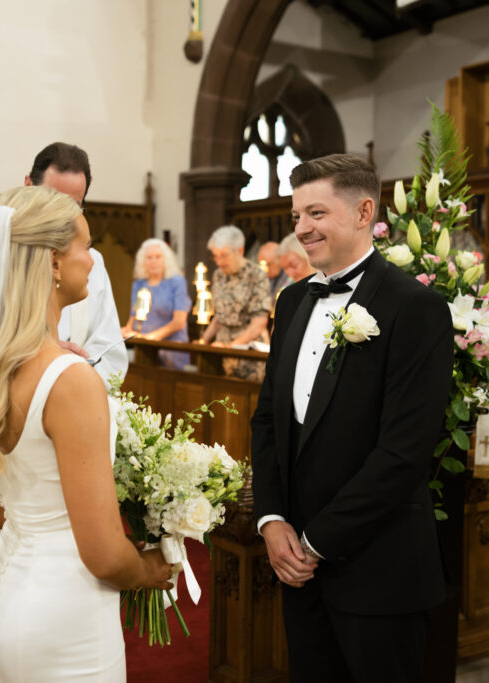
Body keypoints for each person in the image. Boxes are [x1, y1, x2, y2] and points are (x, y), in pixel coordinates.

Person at [0, 186, 172, 682]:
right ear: (55, 264)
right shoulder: (70, 379)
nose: (93, 259)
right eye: (85, 246)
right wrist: (152, 569)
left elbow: (1, 501)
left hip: (6, 590)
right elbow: (105, 555)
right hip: (66, 613)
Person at [250, 154, 453, 682]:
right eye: (296, 216)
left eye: (315, 213)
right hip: (296, 570)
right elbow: (268, 421)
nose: (301, 229)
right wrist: (272, 523)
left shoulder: (416, 308)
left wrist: (316, 543)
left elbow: (403, 453)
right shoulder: (292, 302)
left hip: (380, 572)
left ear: (364, 211)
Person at [0, 142, 126, 384]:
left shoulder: (91, 262)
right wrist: (36, 360)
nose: (60, 215)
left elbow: (111, 355)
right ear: (28, 185)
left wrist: (68, 372)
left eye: (73, 206)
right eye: (52, 199)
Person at [199, 225, 272, 381]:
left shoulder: (256, 275)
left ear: (239, 251)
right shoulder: (219, 275)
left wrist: (231, 347)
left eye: (223, 255)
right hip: (222, 351)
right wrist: (203, 341)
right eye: (215, 256)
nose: (219, 261)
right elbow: (220, 316)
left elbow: (258, 323)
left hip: (248, 352)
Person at [120, 238, 191, 371]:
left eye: (158, 257)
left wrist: (153, 337)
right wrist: (125, 330)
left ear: (166, 260)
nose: (153, 261)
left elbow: (179, 322)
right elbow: (133, 319)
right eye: (149, 257)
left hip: (172, 348)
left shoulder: (177, 282)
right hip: (145, 347)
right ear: (142, 261)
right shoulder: (139, 284)